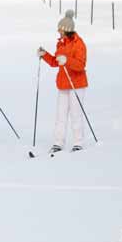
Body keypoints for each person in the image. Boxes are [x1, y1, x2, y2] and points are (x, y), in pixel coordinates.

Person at [38, 10, 88, 153]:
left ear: (66, 30)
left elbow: (80, 65)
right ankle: (58, 143)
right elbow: (56, 62)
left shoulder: (79, 44)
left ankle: (78, 142)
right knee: (60, 115)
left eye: (60, 29)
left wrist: (67, 60)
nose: (58, 31)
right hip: (63, 84)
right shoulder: (61, 43)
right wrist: (44, 55)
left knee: (75, 113)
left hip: (76, 84)